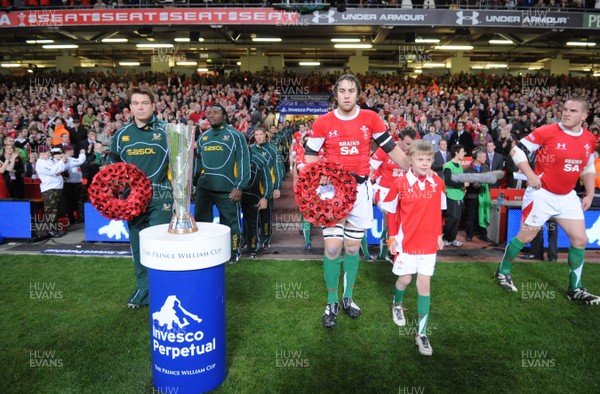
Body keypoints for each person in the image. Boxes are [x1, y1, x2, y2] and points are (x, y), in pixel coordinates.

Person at [305, 74, 409, 329]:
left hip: (361, 191)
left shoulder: (371, 118)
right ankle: (331, 301)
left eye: (351, 90)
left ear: (358, 93)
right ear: (336, 94)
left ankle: (347, 297)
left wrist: (414, 170)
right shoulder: (323, 122)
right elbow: (309, 155)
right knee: (332, 248)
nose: (347, 95)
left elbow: (392, 149)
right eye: (342, 91)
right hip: (333, 192)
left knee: (352, 248)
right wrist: (320, 178)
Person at [495, 98, 600, 305]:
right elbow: (516, 151)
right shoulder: (548, 131)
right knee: (526, 236)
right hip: (541, 193)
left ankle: (575, 288)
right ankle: (503, 271)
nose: (566, 113)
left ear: (584, 116)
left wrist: (589, 194)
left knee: (580, 240)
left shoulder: (589, 139)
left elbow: (588, 167)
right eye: (565, 109)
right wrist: (530, 174)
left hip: (568, 196)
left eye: (572, 110)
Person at [109, 87, 174, 309]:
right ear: (130, 107)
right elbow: (113, 167)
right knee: (137, 246)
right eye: (136, 103)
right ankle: (144, 289)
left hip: (160, 195)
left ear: (153, 106)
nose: (140, 107)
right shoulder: (121, 136)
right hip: (132, 200)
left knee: (157, 243)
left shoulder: (167, 131)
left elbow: (182, 162)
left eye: (144, 103)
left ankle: (164, 289)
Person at [385, 140, 446, 356]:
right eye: (420, 159)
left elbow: (439, 211)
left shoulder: (438, 183)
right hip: (406, 243)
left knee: (424, 285)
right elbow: (391, 212)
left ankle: (421, 334)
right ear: (410, 160)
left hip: (429, 243)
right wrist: (392, 238)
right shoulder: (399, 183)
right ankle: (397, 305)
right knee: (405, 279)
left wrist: (439, 234)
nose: (425, 163)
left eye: (428, 159)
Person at [194, 103, 250, 264]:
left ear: (225, 116)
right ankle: (205, 250)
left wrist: (239, 186)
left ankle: (233, 252)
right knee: (201, 220)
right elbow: (198, 163)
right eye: (209, 113)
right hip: (205, 187)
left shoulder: (235, 135)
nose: (211, 115)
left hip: (227, 189)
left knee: (230, 222)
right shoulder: (203, 137)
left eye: (215, 112)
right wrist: (194, 183)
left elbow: (243, 161)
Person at [242, 134, 273, 259]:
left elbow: (267, 181)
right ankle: (234, 250)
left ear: (247, 144)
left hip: (252, 196)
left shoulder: (259, 160)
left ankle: (253, 249)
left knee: (252, 224)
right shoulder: (230, 158)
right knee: (233, 224)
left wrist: (265, 197)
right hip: (233, 197)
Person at [254, 127, 284, 250]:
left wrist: (277, 187)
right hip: (253, 190)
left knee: (266, 215)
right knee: (253, 216)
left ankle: (266, 238)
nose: (259, 137)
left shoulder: (273, 149)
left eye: (261, 134)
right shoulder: (250, 149)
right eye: (256, 134)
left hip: (267, 188)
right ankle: (253, 238)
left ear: (265, 135)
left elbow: (278, 169)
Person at [37, 146, 68, 238]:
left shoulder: (49, 161)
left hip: (57, 187)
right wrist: (61, 162)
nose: (49, 154)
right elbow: (53, 171)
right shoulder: (41, 163)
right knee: (51, 210)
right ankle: (50, 229)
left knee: (56, 209)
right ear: (41, 153)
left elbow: (60, 169)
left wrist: (60, 161)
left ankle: (54, 228)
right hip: (49, 189)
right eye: (47, 152)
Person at [442, 144, 469, 247]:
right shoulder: (448, 166)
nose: (464, 154)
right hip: (451, 195)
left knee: (457, 218)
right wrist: (462, 184)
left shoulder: (459, 166)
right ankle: (445, 237)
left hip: (459, 195)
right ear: (456, 153)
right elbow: (448, 181)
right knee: (453, 217)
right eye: (462, 152)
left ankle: (452, 238)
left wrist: (464, 188)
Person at [464, 149, 491, 242]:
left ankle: (483, 234)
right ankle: (469, 234)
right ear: (478, 158)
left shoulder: (486, 168)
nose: (485, 158)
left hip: (483, 195)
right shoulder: (468, 169)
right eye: (484, 157)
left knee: (482, 215)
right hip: (472, 196)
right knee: (471, 216)